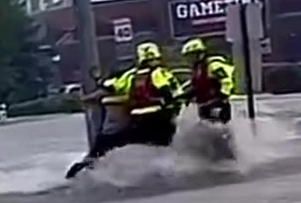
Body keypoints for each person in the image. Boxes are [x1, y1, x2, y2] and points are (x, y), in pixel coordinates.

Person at [66, 42, 182, 178]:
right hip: (163, 123)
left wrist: (87, 97)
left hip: (139, 124)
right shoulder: (162, 73)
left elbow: (108, 87)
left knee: (107, 141)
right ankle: (186, 164)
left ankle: (85, 165)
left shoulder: (131, 75)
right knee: (175, 143)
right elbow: (172, 93)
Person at [179, 37, 236, 124]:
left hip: (216, 104)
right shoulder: (198, 68)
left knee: (218, 129)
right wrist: (186, 95)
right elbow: (197, 85)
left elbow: (226, 80)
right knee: (205, 129)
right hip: (204, 105)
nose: (189, 60)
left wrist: (223, 95)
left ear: (199, 53)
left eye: (191, 56)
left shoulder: (213, 65)